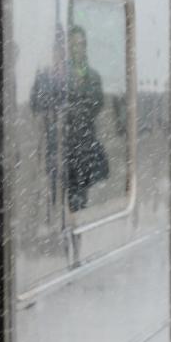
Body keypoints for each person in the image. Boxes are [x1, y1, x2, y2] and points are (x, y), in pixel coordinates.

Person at [64, 26, 109, 212]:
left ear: (85, 47)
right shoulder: (61, 75)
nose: (77, 48)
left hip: (84, 149)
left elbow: (97, 105)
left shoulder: (93, 77)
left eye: (81, 44)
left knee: (80, 202)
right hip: (65, 150)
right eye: (73, 44)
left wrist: (77, 107)